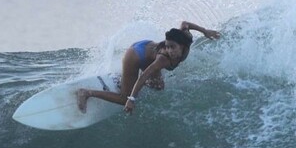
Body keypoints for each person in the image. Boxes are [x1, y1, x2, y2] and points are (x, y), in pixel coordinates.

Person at [76, 21, 221, 114]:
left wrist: (205, 31)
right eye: (167, 46)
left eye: (173, 47)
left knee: (158, 86)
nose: (170, 50)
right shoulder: (163, 59)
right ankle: (86, 93)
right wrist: (131, 99)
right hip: (135, 54)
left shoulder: (186, 40)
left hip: (148, 50)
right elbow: (144, 75)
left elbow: (184, 24)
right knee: (123, 98)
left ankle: (124, 80)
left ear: (182, 46)